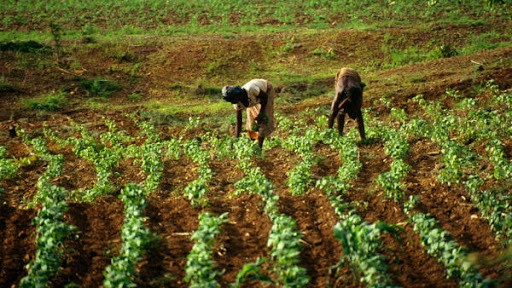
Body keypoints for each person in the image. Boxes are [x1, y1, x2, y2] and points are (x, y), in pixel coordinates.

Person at [221, 79, 276, 148]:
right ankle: (253, 142)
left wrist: (261, 112)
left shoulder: (251, 89)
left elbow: (265, 97)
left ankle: (259, 149)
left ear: (237, 96)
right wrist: (236, 139)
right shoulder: (237, 104)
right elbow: (239, 121)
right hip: (254, 99)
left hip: (266, 91)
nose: (232, 102)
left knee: (262, 120)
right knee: (251, 122)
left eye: (232, 100)